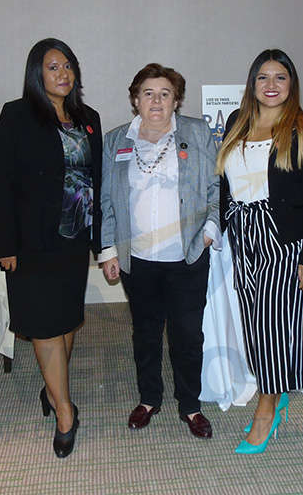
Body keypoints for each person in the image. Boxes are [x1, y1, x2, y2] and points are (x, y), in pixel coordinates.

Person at [0, 38, 102, 459]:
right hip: (31, 242)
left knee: (67, 322)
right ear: (37, 73)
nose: (63, 73)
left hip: (74, 241)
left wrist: (100, 240)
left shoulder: (87, 118)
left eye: (68, 65)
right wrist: (4, 243)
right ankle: (65, 410)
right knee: (44, 326)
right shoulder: (17, 115)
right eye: (53, 67)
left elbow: (97, 179)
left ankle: (51, 388)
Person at [98, 63, 219, 439]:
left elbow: (217, 188)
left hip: (186, 256)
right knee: (145, 334)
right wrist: (107, 249)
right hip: (139, 260)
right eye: (148, 93)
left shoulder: (197, 133)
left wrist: (210, 231)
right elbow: (106, 200)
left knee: (188, 335)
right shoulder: (116, 139)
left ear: (176, 100)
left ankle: (191, 405)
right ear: (135, 99)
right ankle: (149, 398)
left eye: (165, 94)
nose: (156, 100)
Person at [217, 49, 303, 455]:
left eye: (280, 77)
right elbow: (226, 182)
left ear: (291, 84)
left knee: (276, 321)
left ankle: (267, 408)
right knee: (252, 317)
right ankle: (274, 390)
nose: (271, 85)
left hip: (282, 236)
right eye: (263, 77)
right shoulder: (236, 122)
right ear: (252, 84)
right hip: (241, 232)